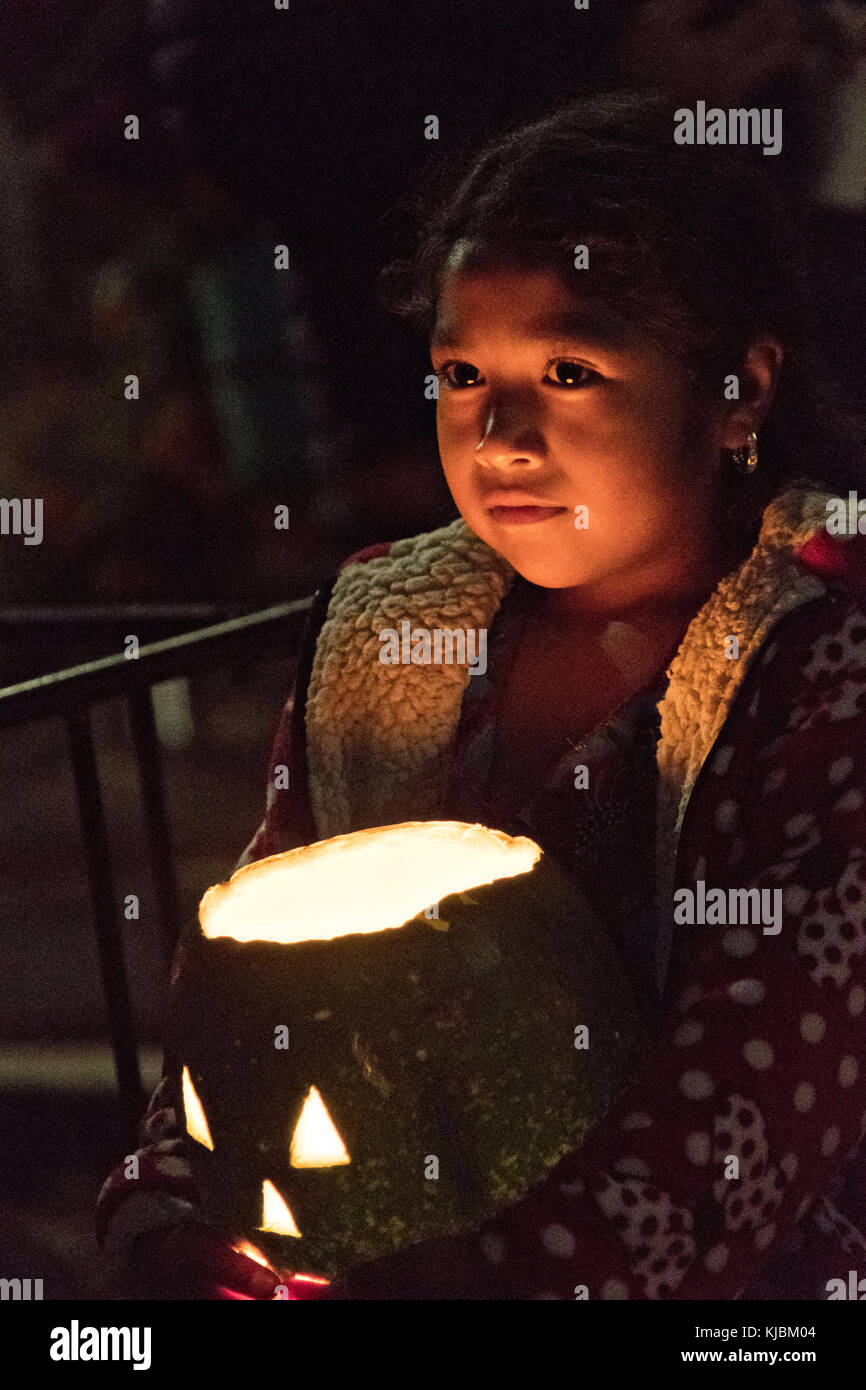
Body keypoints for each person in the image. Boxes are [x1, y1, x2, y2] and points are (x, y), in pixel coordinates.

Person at [97, 91, 866, 1300]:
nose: (501, 431)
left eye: (568, 368)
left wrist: (496, 1280)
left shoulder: (821, 668)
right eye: (461, 372)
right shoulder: (385, 637)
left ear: (739, 390)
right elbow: (258, 984)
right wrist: (164, 1200)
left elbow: (765, 1083)